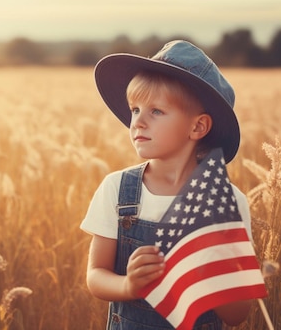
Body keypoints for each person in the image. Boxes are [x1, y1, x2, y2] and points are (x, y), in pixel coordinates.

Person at [80, 40, 254, 329]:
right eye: (135, 109)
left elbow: (237, 315)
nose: (138, 122)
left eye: (156, 111)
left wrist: (209, 265)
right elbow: (95, 275)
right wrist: (128, 286)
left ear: (197, 127)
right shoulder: (117, 189)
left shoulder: (228, 204)